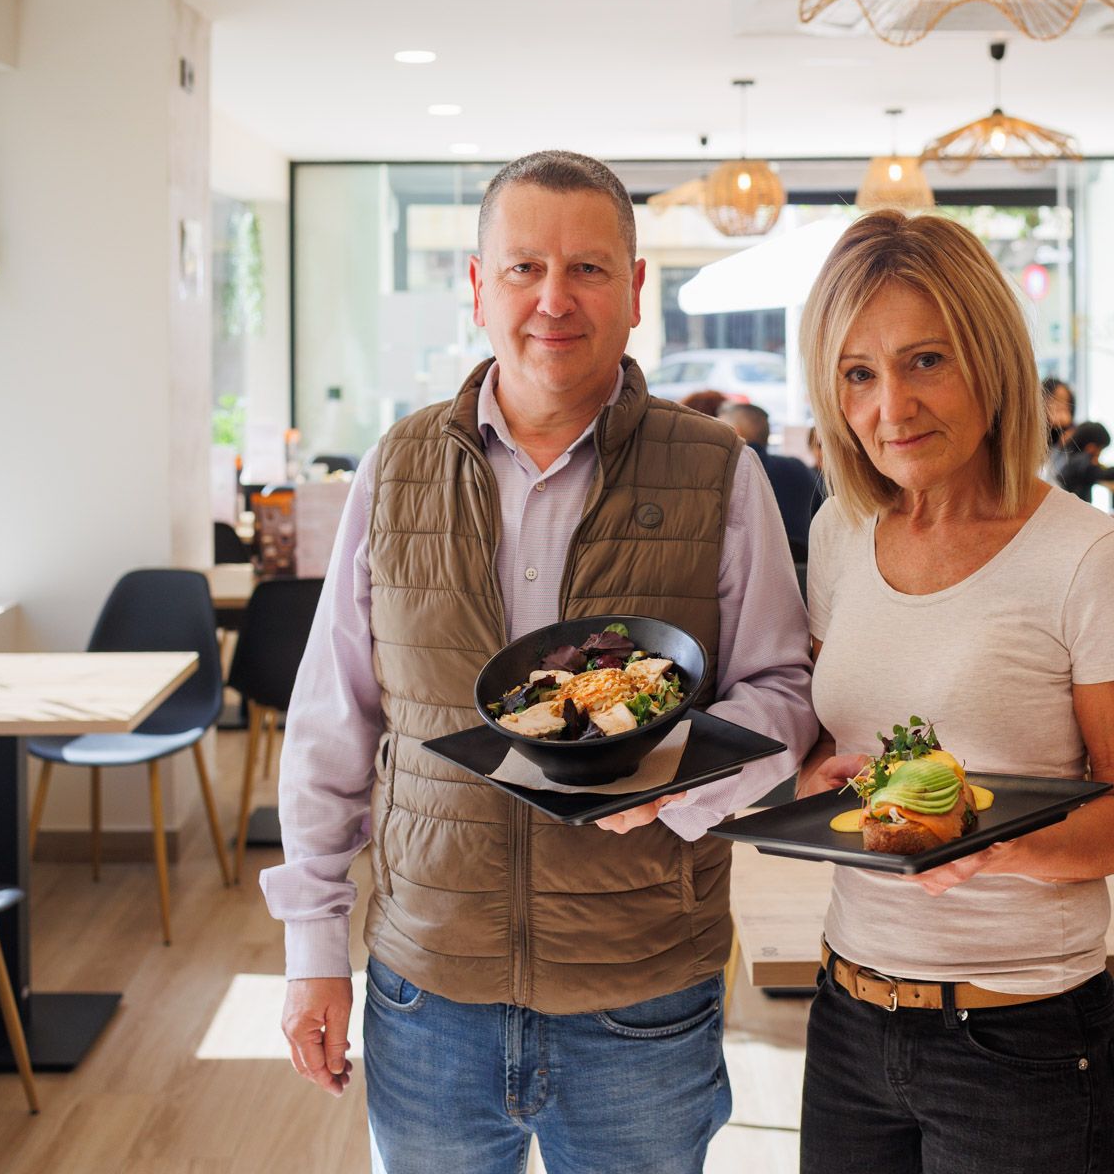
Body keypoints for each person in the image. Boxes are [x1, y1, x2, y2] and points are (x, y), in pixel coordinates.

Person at [259, 150, 817, 1174]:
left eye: (589, 269)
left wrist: (677, 781)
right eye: (523, 268)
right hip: (427, 987)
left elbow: (784, 691)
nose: (554, 299)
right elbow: (334, 716)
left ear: (636, 291)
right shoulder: (399, 464)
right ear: (478, 288)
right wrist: (311, 952)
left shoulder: (717, 471)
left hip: (641, 990)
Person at [794, 211, 1114, 1174]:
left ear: (993, 363)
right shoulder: (840, 532)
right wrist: (806, 786)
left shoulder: (1087, 559)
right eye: (859, 374)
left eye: (926, 361)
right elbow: (833, 736)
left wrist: (992, 847)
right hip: (848, 1012)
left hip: (1022, 1034)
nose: (892, 407)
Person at [720, 401, 823, 560]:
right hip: (804, 568)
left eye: (718, 429)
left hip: (749, 570)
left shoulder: (727, 473)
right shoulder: (798, 468)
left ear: (735, 433)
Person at [1051, 420, 1114, 500]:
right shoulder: (1081, 461)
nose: (1099, 454)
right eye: (1100, 449)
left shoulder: (1066, 455)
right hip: (1076, 509)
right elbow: (1104, 473)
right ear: (1091, 447)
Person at [1041, 376, 1075, 450]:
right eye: (1056, 400)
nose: (1063, 406)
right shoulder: (1035, 432)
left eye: (1067, 401)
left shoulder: (1073, 432)